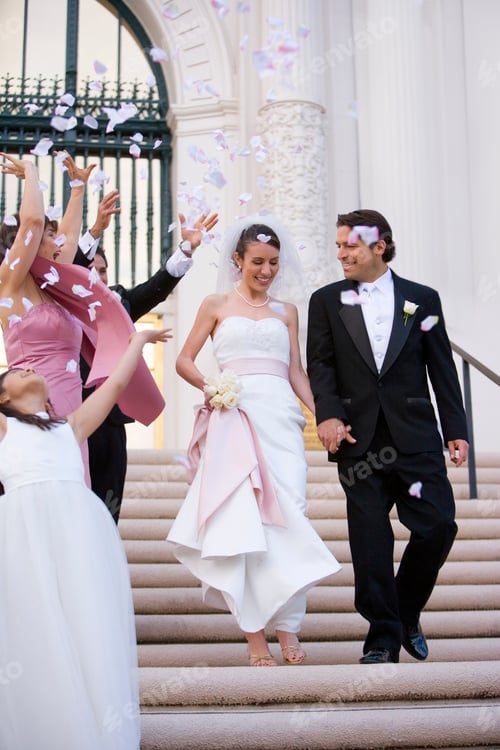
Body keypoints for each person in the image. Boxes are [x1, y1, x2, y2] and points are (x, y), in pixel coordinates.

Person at [167, 214, 341, 666]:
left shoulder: (288, 312)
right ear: (238, 261)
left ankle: (289, 628)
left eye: (274, 263)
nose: (266, 271)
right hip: (234, 417)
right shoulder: (215, 304)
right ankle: (254, 637)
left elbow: (296, 373)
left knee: (291, 517)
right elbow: (183, 361)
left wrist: (324, 417)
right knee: (243, 523)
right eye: (258, 262)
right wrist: (214, 389)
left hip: (280, 419)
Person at [306, 208, 469, 664]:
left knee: (438, 525)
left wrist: (456, 428)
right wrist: (329, 415)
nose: (341, 253)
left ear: (379, 246)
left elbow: (442, 367)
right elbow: (322, 366)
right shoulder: (325, 301)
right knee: (371, 541)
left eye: (349, 245)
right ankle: (381, 637)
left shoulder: (423, 298)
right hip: (359, 439)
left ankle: (404, 609)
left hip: (416, 435)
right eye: (338, 245)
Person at [0, 324, 172, 749]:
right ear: (3, 399)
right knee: (37, 625)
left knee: (83, 622)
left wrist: (137, 342)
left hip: (78, 533)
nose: (24, 368)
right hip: (24, 532)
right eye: (15, 372)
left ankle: (93, 727)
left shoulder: (70, 427)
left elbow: (113, 384)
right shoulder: (5, 429)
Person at [74, 191, 218, 521]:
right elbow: (73, 267)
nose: (99, 275)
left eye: (104, 270)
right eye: (92, 269)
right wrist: (95, 230)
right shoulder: (62, 302)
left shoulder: (120, 302)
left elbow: (156, 287)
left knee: (109, 508)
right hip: (72, 416)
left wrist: (185, 250)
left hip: (111, 423)